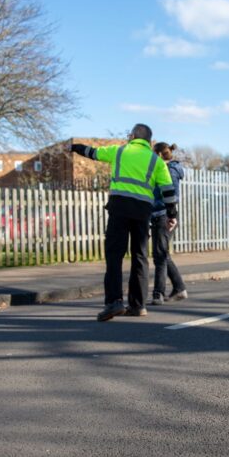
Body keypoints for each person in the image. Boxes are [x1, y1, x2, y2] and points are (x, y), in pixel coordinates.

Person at [71, 124, 178, 321]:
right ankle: (138, 306)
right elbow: (168, 191)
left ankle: (114, 302)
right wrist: (172, 215)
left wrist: (75, 147)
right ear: (148, 140)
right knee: (140, 257)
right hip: (142, 212)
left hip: (119, 208)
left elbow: (92, 153)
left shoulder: (119, 151)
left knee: (114, 255)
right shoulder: (156, 161)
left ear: (133, 136)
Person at [149, 142, 187, 305]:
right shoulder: (164, 168)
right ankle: (179, 288)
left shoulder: (170, 170)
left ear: (158, 154)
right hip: (159, 214)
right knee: (162, 254)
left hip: (164, 216)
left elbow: (172, 196)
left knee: (160, 255)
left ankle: (158, 293)